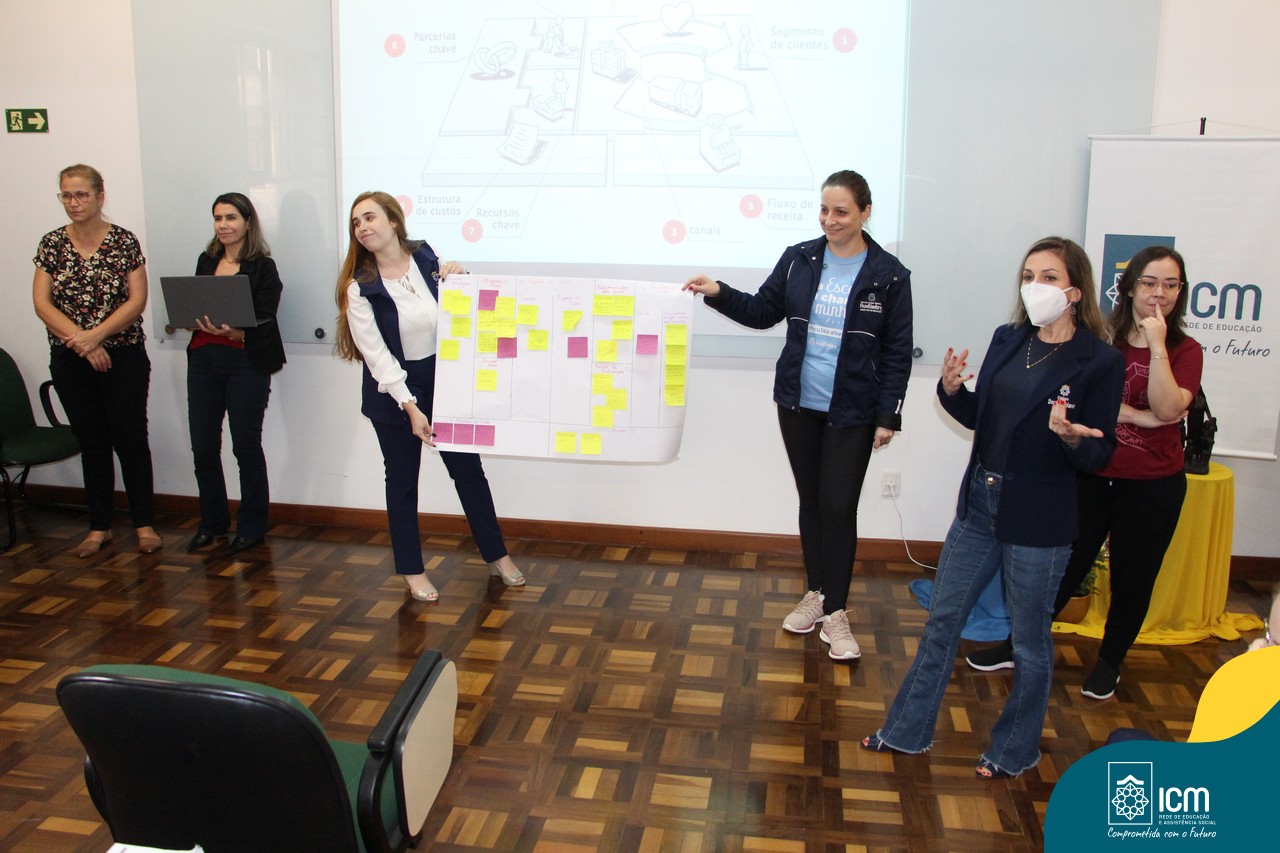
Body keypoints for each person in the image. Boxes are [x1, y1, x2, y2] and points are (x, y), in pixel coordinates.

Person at [862, 236, 1124, 778]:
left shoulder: (1100, 361)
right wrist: (952, 390)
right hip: (980, 503)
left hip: (1038, 517)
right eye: (1028, 276)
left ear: (1075, 291)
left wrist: (1071, 438)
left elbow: (1098, 453)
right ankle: (907, 731)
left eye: (1048, 277)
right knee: (942, 620)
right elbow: (983, 415)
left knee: (1028, 642)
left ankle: (1014, 750)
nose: (1034, 286)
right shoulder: (1009, 338)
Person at [683, 170, 913, 660]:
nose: (830, 220)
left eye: (842, 212)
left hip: (854, 409)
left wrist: (888, 415)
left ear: (866, 212)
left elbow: (897, 352)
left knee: (838, 506)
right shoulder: (799, 259)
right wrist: (718, 291)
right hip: (798, 403)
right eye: (824, 210)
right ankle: (817, 594)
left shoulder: (890, 274)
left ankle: (838, 613)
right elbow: (762, 311)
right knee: (812, 500)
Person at [966, 246, 1203, 700]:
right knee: (1063, 569)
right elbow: (1073, 402)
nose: (1159, 293)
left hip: (1153, 482)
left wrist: (1156, 348)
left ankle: (1110, 661)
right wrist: (1138, 415)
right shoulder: (1098, 339)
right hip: (1091, 473)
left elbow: (1169, 407)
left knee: (1135, 576)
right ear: (1128, 287)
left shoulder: (1184, 350)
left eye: (1171, 285)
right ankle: (1017, 645)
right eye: (1149, 282)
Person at [333, 191, 524, 601]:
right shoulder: (360, 287)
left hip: (443, 378)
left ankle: (497, 556)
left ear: (394, 221)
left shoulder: (424, 255)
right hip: (394, 390)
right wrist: (411, 407)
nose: (362, 227)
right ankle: (412, 570)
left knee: (468, 471)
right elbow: (378, 357)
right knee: (402, 482)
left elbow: (457, 313)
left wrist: (462, 278)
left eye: (370, 218)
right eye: (356, 223)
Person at [32, 164, 161, 558]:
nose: (73, 202)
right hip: (71, 358)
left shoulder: (123, 241)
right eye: (66, 195)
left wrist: (97, 335)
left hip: (123, 356)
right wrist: (84, 343)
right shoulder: (52, 243)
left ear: (100, 197)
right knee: (92, 441)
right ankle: (99, 527)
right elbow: (42, 304)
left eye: (81, 195)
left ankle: (144, 525)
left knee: (131, 440)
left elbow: (137, 300)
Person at [183, 193, 286, 555]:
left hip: (245, 363)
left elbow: (266, 317)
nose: (223, 225)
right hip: (203, 360)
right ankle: (212, 524)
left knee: (245, 446)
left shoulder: (263, 267)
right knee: (203, 447)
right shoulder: (206, 260)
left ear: (247, 222)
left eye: (230, 218)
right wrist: (191, 318)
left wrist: (239, 332)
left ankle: (252, 527)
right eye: (218, 218)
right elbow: (196, 304)